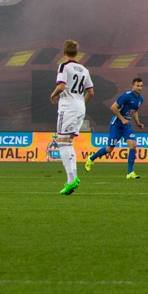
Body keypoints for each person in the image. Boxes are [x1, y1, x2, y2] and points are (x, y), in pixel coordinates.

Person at [48, 41, 93, 195]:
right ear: (77, 53)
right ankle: (74, 177)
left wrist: (53, 95)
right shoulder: (84, 70)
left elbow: (61, 86)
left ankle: (71, 179)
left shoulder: (64, 66)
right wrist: (81, 104)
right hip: (80, 108)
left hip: (68, 108)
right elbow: (91, 92)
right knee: (68, 142)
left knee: (62, 142)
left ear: (64, 52)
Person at [85, 76, 145, 178]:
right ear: (133, 86)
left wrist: (138, 123)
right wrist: (122, 119)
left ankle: (130, 173)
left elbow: (134, 111)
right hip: (117, 124)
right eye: (137, 86)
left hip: (126, 126)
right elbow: (113, 107)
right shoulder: (126, 96)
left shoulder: (140, 99)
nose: (139, 88)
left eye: (141, 86)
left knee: (133, 145)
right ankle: (91, 158)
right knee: (109, 149)